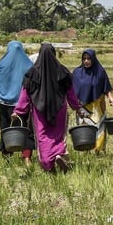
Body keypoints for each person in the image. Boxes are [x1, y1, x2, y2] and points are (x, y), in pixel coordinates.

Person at [13, 43, 88, 173]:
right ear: (54, 55)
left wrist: (18, 111)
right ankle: (59, 154)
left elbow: (25, 94)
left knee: (43, 136)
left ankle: (48, 163)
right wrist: (77, 107)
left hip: (39, 111)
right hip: (60, 110)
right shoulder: (63, 71)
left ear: (40, 54)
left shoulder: (32, 73)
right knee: (58, 135)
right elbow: (70, 93)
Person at [0, 41, 35, 166]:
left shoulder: (2, 64)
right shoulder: (29, 65)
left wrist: (0, 93)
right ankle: (26, 158)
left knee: (6, 129)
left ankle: (6, 157)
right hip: (23, 104)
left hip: (5, 103)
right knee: (25, 129)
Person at [71, 49, 113, 153]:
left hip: (97, 106)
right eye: (84, 59)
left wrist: (110, 98)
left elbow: (106, 87)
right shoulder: (77, 73)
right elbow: (71, 90)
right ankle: (85, 150)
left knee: (99, 128)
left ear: (93, 59)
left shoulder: (100, 72)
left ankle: (98, 151)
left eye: (88, 59)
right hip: (82, 107)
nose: (86, 61)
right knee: (84, 129)